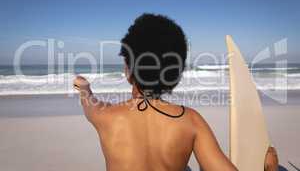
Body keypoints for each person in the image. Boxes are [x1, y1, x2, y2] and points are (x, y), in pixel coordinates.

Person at [73, 13, 277, 171]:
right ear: (174, 73)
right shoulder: (191, 121)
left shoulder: (106, 117)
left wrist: (84, 88)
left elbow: (89, 103)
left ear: (129, 70)